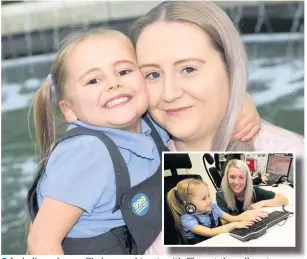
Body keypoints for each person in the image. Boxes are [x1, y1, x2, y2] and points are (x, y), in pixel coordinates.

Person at [26, 28, 170, 255]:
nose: (113, 84)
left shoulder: (153, 123)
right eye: (93, 80)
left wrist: (243, 106)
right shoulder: (87, 154)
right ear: (69, 110)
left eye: (123, 71)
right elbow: (41, 241)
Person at [129, 0, 304, 154]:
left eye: (188, 69)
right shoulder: (131, 158)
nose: (169, 94)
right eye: (153, 74)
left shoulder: (289, 157)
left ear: (230, 67)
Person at [167, 178, 268, 244]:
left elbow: (232, 218)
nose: (209, 200)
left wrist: (248, 216)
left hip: (215, 240)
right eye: (204, 198)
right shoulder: (187, 219)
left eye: (209, 196)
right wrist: (234, 225)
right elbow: (209, 232)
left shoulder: (212, 207)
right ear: (187, 204)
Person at [216, 159, 289, 215]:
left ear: (247, 179)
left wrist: (261, 203)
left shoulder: (254, 191)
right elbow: (224, 222)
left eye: (241, 177)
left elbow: (284, 199)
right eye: (232, 177)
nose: (236, 182)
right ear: (227, 178)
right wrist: (247, 216)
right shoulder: (221, 195)